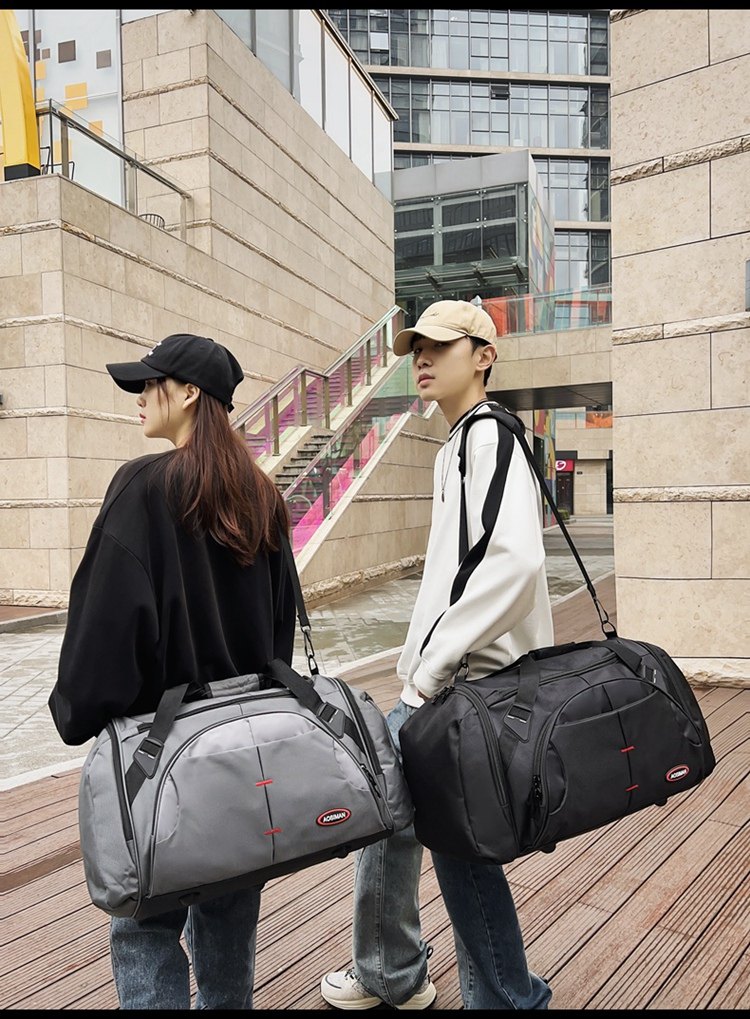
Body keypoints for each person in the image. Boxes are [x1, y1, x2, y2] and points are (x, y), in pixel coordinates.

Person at [48, 332, 297, 1010]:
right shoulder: (262, 495)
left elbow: (105, 628)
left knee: (145, 926)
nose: (139, 395)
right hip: (245, 754)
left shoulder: (143, 488)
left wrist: (77, 711)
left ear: (189, 393)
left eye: (149, 383)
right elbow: (280, 636)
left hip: (160, 756)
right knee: (230, 916)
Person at [320, 300, 554, 1011]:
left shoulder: (488, 435)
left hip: (466, 687)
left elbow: (515, 562)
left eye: (440, 346)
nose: (421, 358)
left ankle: (419, 977)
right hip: (455, 682)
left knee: (417, 826)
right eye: (416, 347)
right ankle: (415, 974)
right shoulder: (458, 442)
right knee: (446, 844)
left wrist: (429, 671)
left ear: (484, 355)